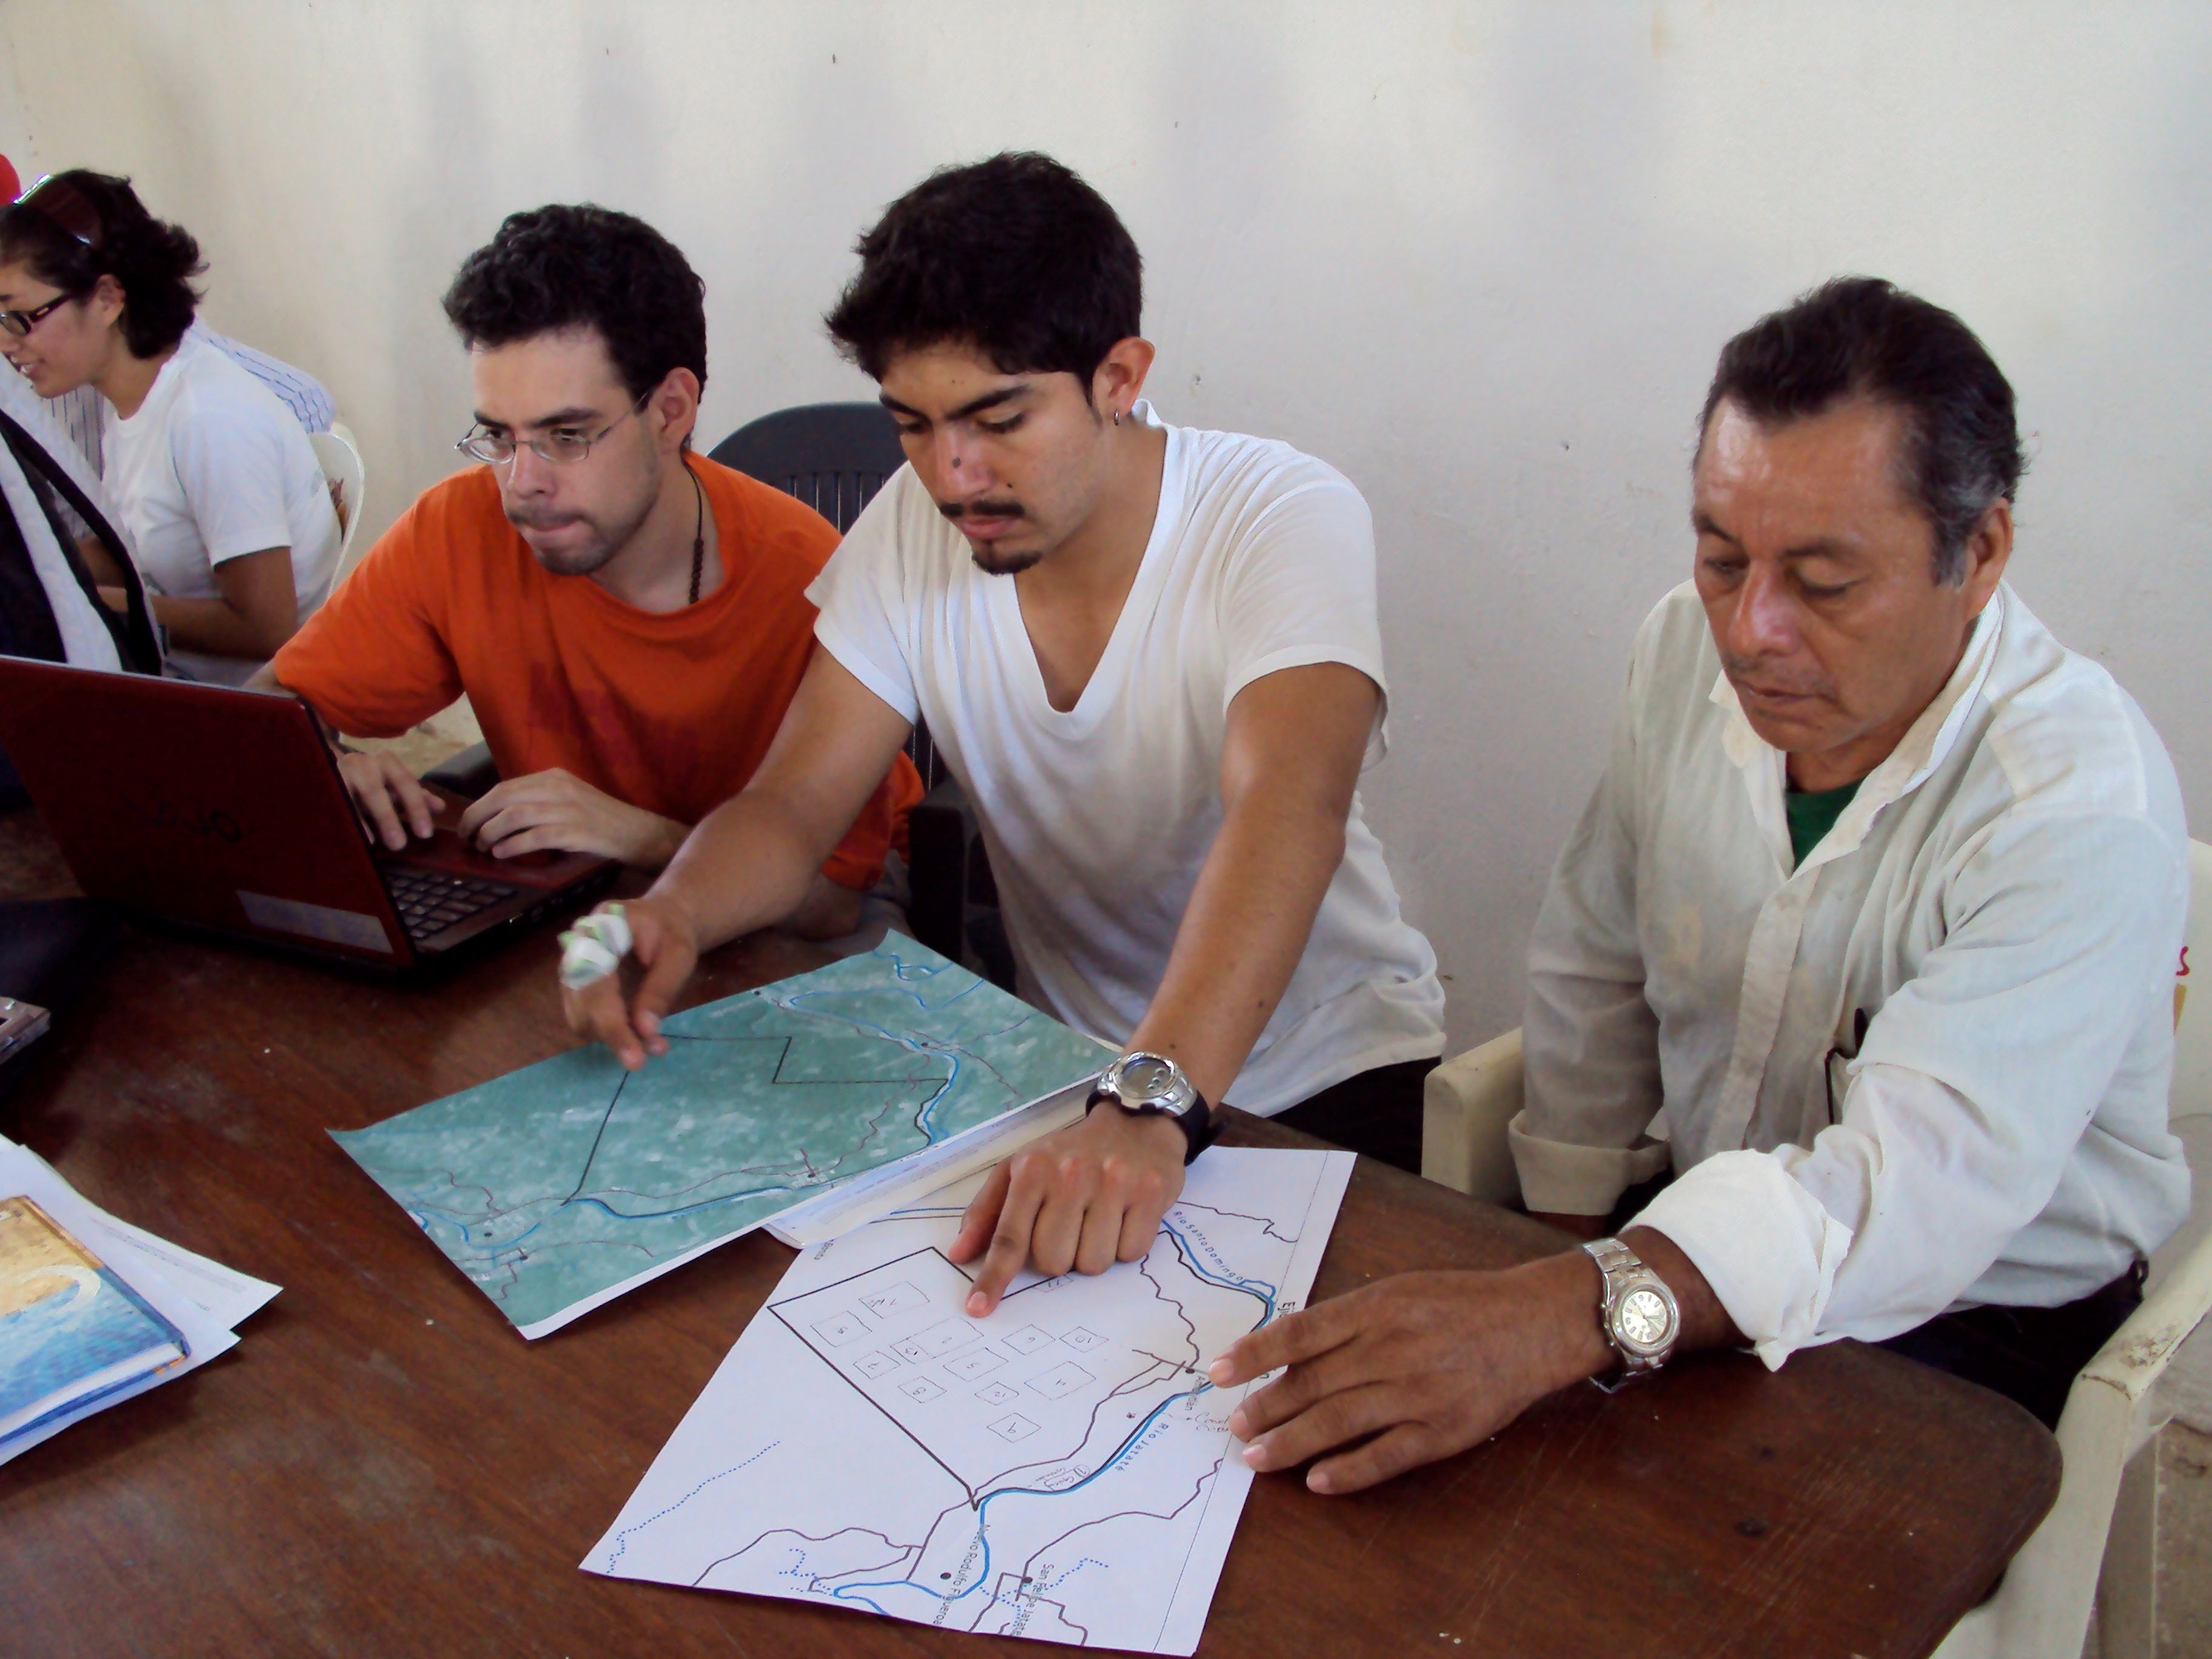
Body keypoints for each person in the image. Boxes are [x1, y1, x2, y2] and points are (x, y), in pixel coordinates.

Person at [1208, 278, 2190, 1493]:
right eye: (1723, 557)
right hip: (1684, 1224)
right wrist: (1557, 1241)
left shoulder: (2075, 811)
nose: (1753, 630)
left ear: (1979, 551)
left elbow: (1905, 1198)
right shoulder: (1683, 645)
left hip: (1977, 1308)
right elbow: (1595, 955)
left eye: (1824, 584)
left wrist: (1564, 1312)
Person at [565, 152, 1446, 1307]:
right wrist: (668, 910)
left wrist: (1153, 1097)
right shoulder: (914, 526)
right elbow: (791, 804)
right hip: (1062, 1080)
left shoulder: (1279, 512)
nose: (953, 472)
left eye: (997, 419)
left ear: (1118, 376)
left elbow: (1289, 805)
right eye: (913, 426)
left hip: (1317, 1074)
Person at [256, 204, 918, 933]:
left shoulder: (807, 577)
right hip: (572, 896)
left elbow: (833, 909)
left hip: (787, 924)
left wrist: (641, 838)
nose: (522, 482)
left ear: (670, 412)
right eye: (498, 436)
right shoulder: (458, 527)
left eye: (565, 436)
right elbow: (268, 710)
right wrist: (328, 763)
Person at [0, 170, 340, 685]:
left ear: (109, 299)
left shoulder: (208, 418)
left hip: (239, 712)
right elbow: (133, 548)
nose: (8, 344)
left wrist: (99, 603)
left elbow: (266, 628)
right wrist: (39, 569)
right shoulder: (133, 401)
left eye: (19, 318)